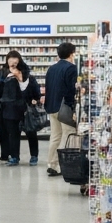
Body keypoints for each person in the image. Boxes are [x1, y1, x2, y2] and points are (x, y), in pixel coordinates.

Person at [0, 50, 41, 166]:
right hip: (9, 109)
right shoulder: (2, 74)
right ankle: (14, 157)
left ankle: (34, 156)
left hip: (26, 109)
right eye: (10, 59)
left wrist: (35, 99)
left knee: (31, 132)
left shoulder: (27, 75)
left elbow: (35, 91)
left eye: (15, 59)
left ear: (19, 61)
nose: (13, 62)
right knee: (13, 134)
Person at [43, 41, 80, 177]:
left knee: (55, 136)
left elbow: (47, 88)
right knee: (67, 134)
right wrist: (72, 107)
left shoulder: (51, 69)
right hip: (64, 107)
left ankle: (52, 164)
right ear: (72, 54)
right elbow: (70, 90)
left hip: (51, 106)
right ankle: (62, 165)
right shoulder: (71, 68)